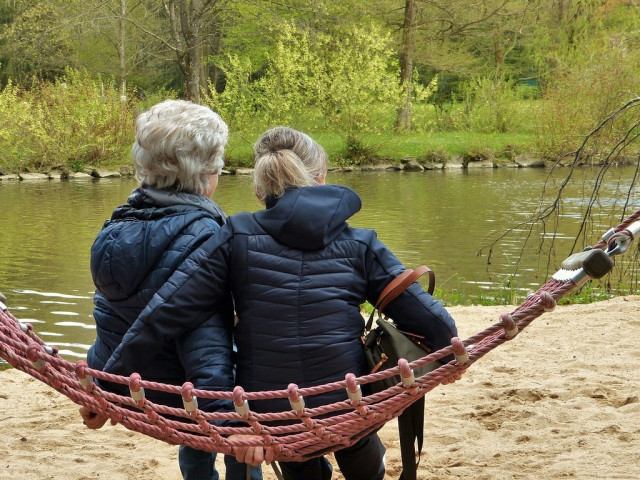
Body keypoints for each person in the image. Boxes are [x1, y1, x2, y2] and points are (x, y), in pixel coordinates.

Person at [104, 126, 459, 480]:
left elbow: (166, 312)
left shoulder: (234, 235)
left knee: (294, 446)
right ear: (320, 179)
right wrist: (450, 351)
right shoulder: (361, 244)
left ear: (260, 191)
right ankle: (368, 465)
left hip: (272, 412)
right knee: (357, 432)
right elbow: (427, 317)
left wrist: (108, 385)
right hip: (345, 401)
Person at [79, 99, 261, 480]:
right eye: (219, 166)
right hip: (189, 398)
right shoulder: (210, 238)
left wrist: (99, 386)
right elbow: (207, 345)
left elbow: (110, 320)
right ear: (208, 173)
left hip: (133, 388)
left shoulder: (112, 231)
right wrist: (228, 428)